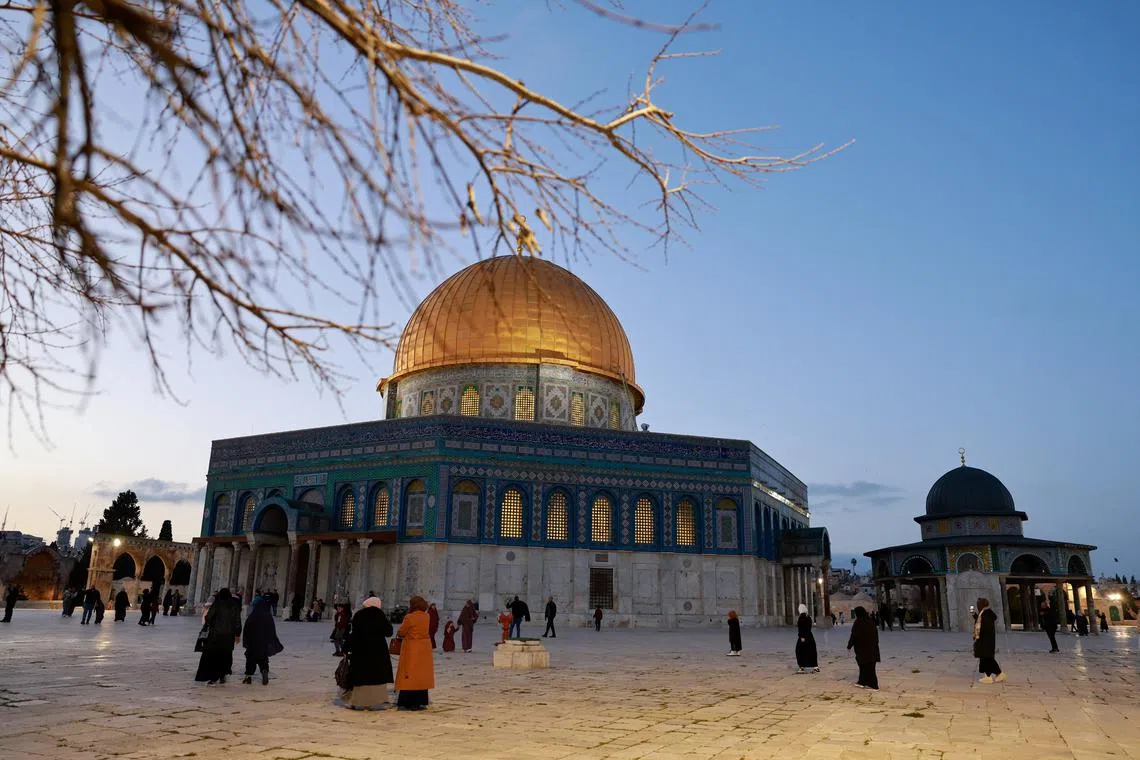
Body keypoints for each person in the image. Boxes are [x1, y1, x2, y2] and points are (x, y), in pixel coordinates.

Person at [339, 596, 394, 710]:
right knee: (375, 678)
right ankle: (372, 702)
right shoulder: (380, 615)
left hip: (361, 650)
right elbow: (389, 632)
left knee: (360, 677)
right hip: (378, 652)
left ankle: (356, 702)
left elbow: (354, 632)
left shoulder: (359, 614)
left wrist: (347, 647)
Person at [394, 595, 435, 710]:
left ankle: (407, 702)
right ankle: (420, 701)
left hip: (412, 647)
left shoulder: (409, 617)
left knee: (409, 674)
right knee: (421, 675)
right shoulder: (427, 616)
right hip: (424, 648)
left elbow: (402, 632)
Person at [195, 588, 242, 685]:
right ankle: (222, 675)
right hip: (229, 636)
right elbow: (238, 622)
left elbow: (208, 617)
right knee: (225, 655)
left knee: (214, 655)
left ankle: (213, 676)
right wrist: (237, 634)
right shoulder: (234, 606)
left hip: (215, 635)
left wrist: (211, 623)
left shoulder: (217, 604)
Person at [241, 595, 284, 685]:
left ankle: (248, 677)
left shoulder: (252, 616)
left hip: (253, 643)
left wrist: (246, 641)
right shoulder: (268, 616)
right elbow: (272, 630)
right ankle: (264, 671)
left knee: (250, 659)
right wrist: (270, 640)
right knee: (263, 658)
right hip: (263, 643)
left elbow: (246, 628)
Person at [847, 606, 880, 690]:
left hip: (863, 649)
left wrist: (849, 646)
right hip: (872, 649)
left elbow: (854, 635)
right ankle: (862, 682)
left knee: (867, 667)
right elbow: (876, 635)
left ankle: (873, 685)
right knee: (865, 666)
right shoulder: (870, 621)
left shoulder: (858, 622)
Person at [973, 597, 1004, 684]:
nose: (977, 606)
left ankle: (998, 674)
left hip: (985, 640)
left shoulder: (986, 614)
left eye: (978, 604)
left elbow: (984, 627)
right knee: (985, 658)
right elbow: (981, 623)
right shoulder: (985, 613)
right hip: (986, 640)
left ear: (981, 605)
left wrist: (978, 634)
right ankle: (988, 676)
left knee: (988, 658)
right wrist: (975, 615)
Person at [795, 603, 819, 673]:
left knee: (799, 651)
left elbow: (801, 628)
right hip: (810, 636)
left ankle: (801, 667)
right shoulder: (808, 617)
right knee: (811, 651)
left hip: (803, 637)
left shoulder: (801, 617)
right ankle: (816, 667)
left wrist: (802, 636)